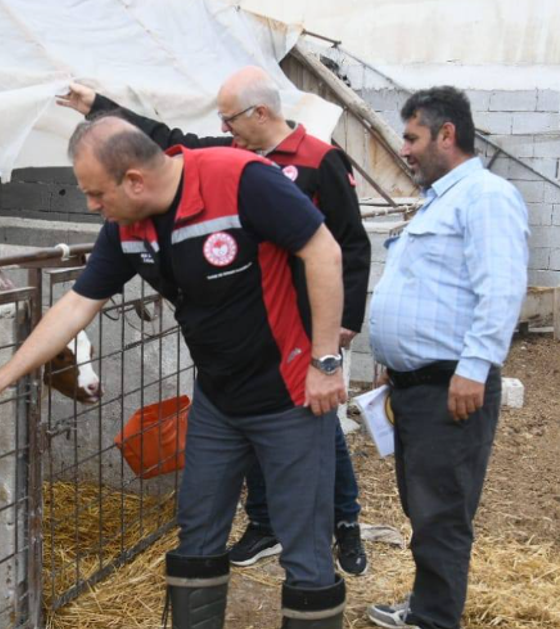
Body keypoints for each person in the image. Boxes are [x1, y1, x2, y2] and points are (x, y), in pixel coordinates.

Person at [0, 116, 349, 629]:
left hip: (289, 393)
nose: (91, 205)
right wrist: (6, 373)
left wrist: (325, 361)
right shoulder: (127, 227)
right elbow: (79, 300)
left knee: (303, 538)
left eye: (95, 192)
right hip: (217, 397)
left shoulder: (239, 180)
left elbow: (325, 249)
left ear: (134, 179)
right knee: (198, 522)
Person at [58, 66, 373, 576]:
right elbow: (161, 144)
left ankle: (346, 526)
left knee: (320, 439)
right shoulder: (232, 158)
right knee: (246, 438)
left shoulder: (320, 161)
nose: (224, 129)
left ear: (261, 113)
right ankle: (264, 522)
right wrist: (98, 105)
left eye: (230, 119)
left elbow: (347, 244)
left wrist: (340, 330)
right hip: (250, 330)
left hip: (308, 328)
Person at [364, 86, 528, 629]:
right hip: (417, 384)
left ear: (446, 135)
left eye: (411, 138)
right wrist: (395, 362)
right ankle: (427, 599)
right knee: (421, 498)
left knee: (442, 509)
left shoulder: (485, 197)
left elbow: (501, 288)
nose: (404, 150)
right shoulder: (439, 202)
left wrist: (474, 367)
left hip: (450, 385)